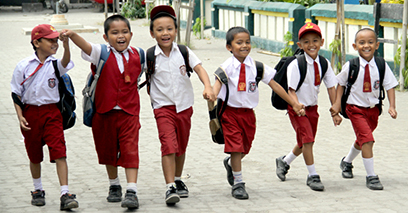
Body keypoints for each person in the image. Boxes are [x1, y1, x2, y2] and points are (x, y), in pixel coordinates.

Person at [60, 15, 142, 209]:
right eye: (114, 33)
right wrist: (72, 35)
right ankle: (114, 185)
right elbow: (86, 46)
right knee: (108, 150)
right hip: (103, 112)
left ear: (131, 34)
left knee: (130, 150)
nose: (120, 36)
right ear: (106, 37)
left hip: (129, 113)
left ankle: (132, 190)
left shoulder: (140, 54)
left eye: (124, 32)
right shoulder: (101, 52)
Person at [213, 26, 305, 199]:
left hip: (248, 115)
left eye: (247, 42)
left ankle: (231, 164)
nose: (244, 46)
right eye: (239, 42)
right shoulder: (226, 67)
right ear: (229, 47)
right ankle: (239, 183)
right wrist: (210, 92)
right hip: (229, 113)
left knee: (245, 147)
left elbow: (275, 84)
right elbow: (217, 85)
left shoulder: (257, 67)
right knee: (236, 147)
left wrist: (293, 103)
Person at [147, 5, 216, 205]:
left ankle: (178, 180)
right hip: (162, 108)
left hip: (185, 107)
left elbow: (200, 69)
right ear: (152, 33)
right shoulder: (149, 56)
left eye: (169, 28)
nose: (165, 33)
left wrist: (208, 86)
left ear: (176, 31)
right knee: (168, 145)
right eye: (159, 30)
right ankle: (170, 187)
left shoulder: (184, 52)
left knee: (181, 146)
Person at [10, 24, 78, 210]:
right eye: (51, 40)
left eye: (56, 39)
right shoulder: (23, 66)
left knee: (59, 152)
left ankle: (65, 193)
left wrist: (66, 45)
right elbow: (16, 93)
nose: (54, 43)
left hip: (52, 113)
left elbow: (66, 61)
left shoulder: (55, 64)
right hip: (30, 114)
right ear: (37, 42)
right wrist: (20, 116)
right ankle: (37, 190)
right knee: (34, 155)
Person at [275, 22, 340, 191]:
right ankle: (313, 176)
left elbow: (331, 87)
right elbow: (291, 90)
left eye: (315, 40)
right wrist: (296, 106)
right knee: (308, 140)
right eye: (306, 42)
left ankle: (284, 161)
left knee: (305, 142)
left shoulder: (324, 63)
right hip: (297, 108)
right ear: (300, 45)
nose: (311, 45)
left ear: (322, 42)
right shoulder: (296, 65)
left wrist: (335, 110)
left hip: (312, 109)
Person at [330, 28, 398, 190]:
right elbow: (340, 84)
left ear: (376, 45)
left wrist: (392, 106)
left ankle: (346, 162)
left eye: (370, 42)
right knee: (367, 139)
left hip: (374, 110)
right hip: (355, 109)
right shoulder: (351, 65)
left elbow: (389, 86)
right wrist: (337, 104)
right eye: (361, 43)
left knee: (363, 139)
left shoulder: (381, 65)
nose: (366, 46)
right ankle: (371, 176)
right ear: (355, 46)